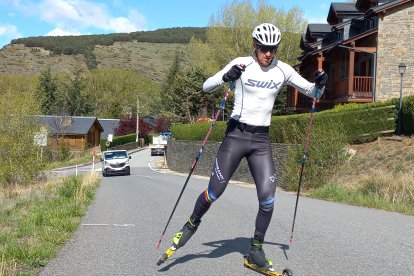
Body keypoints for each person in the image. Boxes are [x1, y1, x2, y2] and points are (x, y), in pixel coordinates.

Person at [170, 23, 327, 271]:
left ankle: (255, 250)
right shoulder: (242, 64)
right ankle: (191, 223)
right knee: (214, 193)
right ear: (255, 46)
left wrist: (321, 82)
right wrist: (226, 76)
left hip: (261, 141)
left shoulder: (283, 70)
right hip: (236, 136)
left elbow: (314, 92)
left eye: (272, 49)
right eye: (264, 48)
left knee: (268, 199)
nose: (268, 53)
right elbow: (206, 85)